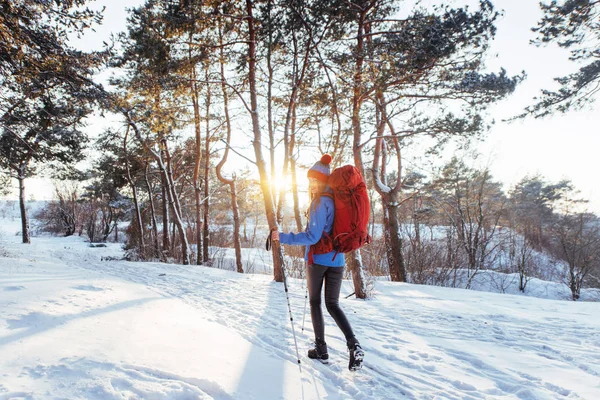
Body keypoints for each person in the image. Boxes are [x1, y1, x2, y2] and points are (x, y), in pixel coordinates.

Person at [271, 154, 364, 371]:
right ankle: (354, 345)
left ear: (320, 181)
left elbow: (312, 237)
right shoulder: (336, 200)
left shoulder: (319, 202)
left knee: (315, 302)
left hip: (318, 260)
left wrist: (283, 237)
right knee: (333, 304)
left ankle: (321, 349)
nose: (310, 183)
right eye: (310, 180)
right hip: (338, 259)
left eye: (313, 180)